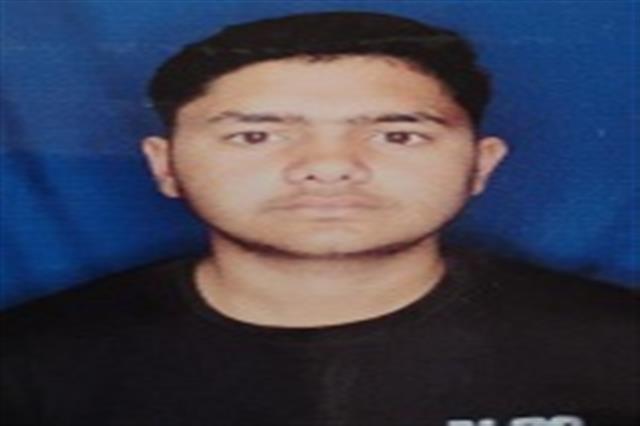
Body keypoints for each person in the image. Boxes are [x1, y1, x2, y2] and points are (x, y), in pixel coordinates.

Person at [1, 11, 637, 426]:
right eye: (256, 136)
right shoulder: (29, 362)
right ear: (163, 165)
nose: (329, 168)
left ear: (482, 163)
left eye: (397, 135)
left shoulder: (620, 345)